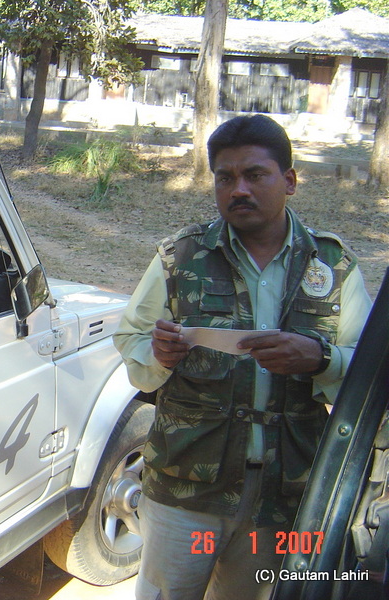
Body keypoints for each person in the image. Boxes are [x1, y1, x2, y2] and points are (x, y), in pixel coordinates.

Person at [113, 114, 373, 600]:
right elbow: (131, 339)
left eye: (256, 174)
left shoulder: (333, 265)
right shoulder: (180, 256)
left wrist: (320, 358)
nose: (239, 189)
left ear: (290, 181)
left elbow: (366, 367)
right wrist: (159, 352)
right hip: (186, 489)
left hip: (285, 490)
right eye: (225, 177)